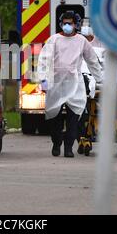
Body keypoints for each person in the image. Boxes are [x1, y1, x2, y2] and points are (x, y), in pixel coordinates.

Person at [37, 11, 102, 157]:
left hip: (74, 84)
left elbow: (92, 60)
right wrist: (44, 81)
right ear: (61, 24)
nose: (67, 26)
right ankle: (56, 142)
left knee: (74, 118)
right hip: (56, 84)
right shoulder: (54, 40)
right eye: (65, 23)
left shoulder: (81, 41)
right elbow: (44, 61)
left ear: (75, 25)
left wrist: (99, 79)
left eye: (70, 23)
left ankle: (68, 148)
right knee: (55, 116)